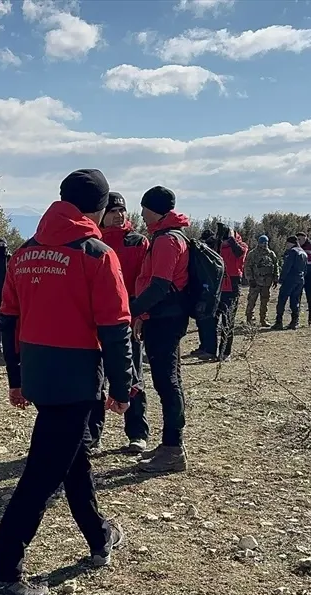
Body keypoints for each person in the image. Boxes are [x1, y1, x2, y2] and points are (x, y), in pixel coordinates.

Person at [0, 168, 132, 595]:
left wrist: (15, 378)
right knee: (40, 478)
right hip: (76, 379)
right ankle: (2, 574)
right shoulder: (97, 254)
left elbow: (7, 320)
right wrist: (123, 387)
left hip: (39, 374)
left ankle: (100, 536)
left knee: (75, 459)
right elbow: (116, 327)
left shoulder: (25, 252)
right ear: (100, 208)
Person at [131, 185, 192, 473]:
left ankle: (173, 448)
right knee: (168, 381)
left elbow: (159, 284)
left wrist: (133, 310)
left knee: (167, 382)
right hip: (164, 316)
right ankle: (169, 444)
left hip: (165, 319)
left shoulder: (167, 241)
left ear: (155, 210)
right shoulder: (167, 236)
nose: (142, 216)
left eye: (144, 210)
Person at [97, 191, 151, 453]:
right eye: (113, 211)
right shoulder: (92, 242)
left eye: (122, 211)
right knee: (95, 378)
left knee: (132, 375)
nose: (119, 215)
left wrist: (141, 315)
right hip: (95, 320)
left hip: (127, 318)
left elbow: (145, 280)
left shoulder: (138, 242)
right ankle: (91, 435)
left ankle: (137, 433)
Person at [215, 222, 248, 361]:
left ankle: (225, 352)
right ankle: (210, 349)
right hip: (219, 285)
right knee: (214, 319)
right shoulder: (221, 245)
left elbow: (239, 253)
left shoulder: (241, 246)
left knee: (228, 321)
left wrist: (231, 238)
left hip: (232, 285)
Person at [187, 229, 220, 361]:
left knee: (209, 322)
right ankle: (204, 347)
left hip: (210, 294)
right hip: (203, 292)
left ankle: (210, 351)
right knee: (202, 321)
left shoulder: (212, 257)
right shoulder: (206, 255)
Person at [272, 236, 307, 330]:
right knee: (295, 300)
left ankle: (279, 322)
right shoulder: (303, 252)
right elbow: (305, 269)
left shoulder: (292, 252)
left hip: (290, 279)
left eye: (287, 243)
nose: (286, 245)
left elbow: (287, 267)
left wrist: (281, 279)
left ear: (291, 243)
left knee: (282, 299)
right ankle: (295, 322)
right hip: (300, 279)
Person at [244, 234, 279, 326]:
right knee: (252, 301)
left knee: (265, 302)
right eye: (262, 243)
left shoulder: (271, 254)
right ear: (259, 243)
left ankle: (263, 320)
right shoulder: (253, 254)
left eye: (266, 243)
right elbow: (248, 267)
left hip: (267, 283)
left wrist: (276, 278)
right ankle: (249, 319)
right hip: (255, 282)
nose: (264, 244)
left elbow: (276, 266)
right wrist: (250, 279)